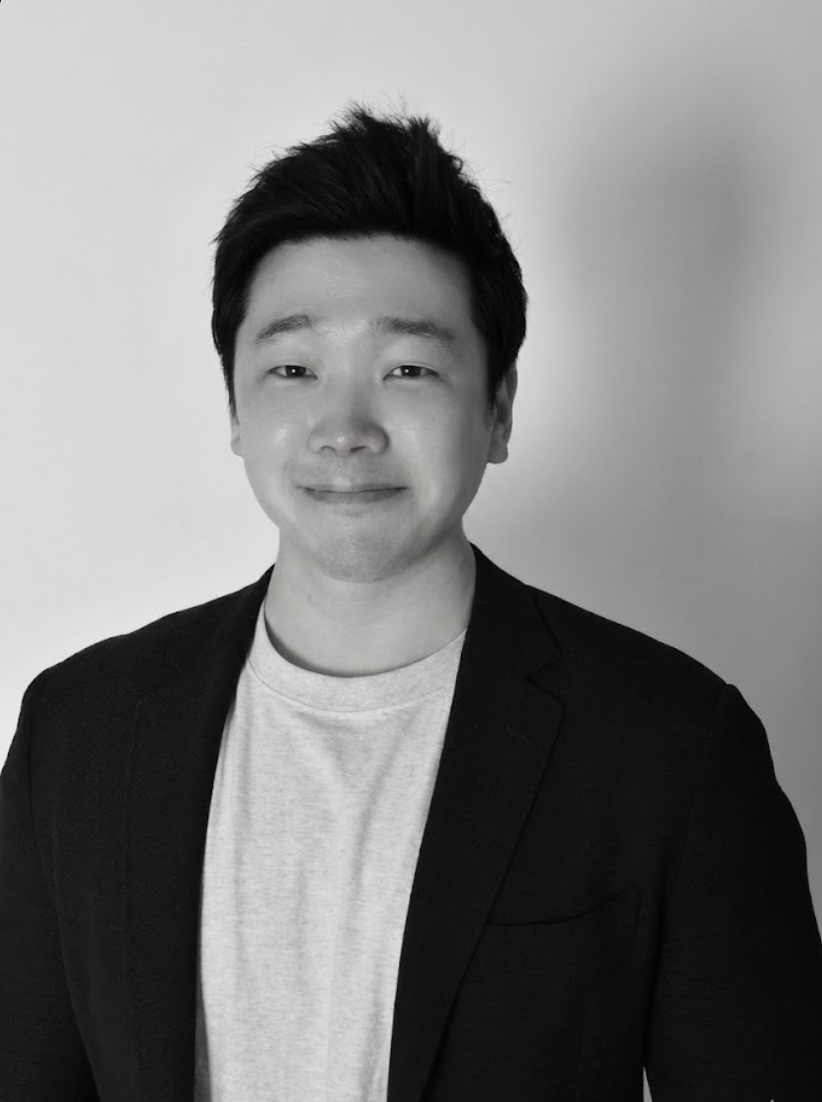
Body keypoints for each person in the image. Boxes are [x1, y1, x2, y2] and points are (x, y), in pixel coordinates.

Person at [1, 102, 820, 1102]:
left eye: (408, 369)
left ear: (498, 409)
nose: (345, 426)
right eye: (294, 368)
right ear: (235, 408)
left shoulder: (673, 748)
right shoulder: (79, 734)